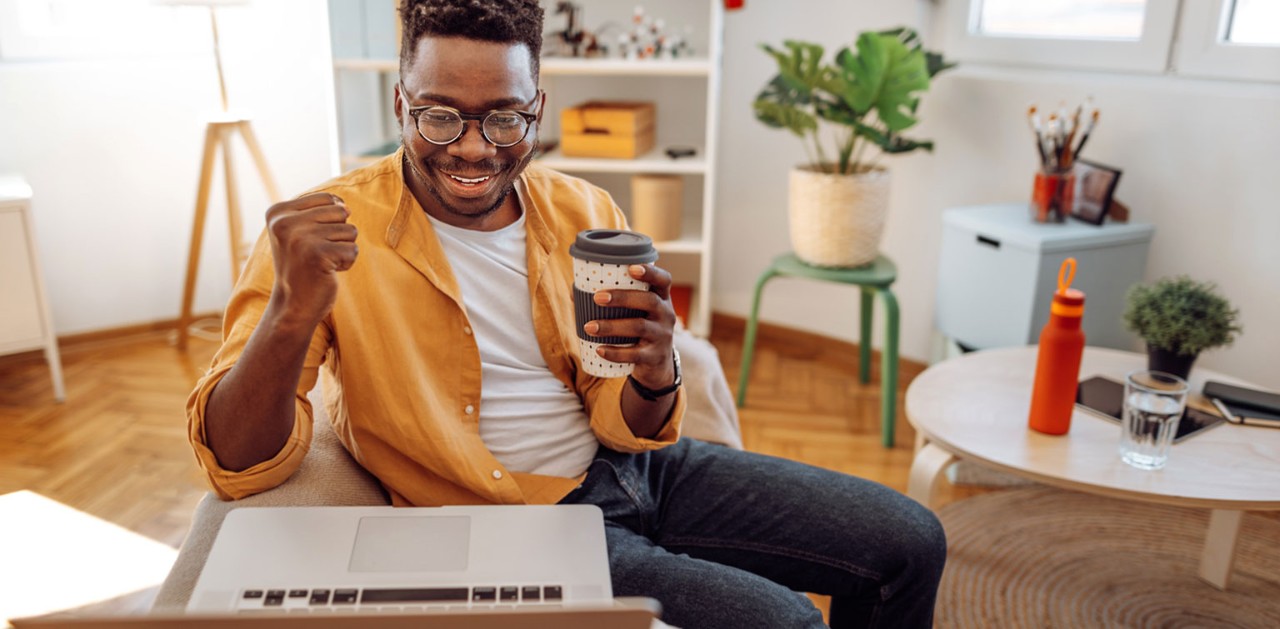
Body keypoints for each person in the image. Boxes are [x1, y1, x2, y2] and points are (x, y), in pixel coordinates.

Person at [185, 1, 947, 626]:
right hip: (521, 521)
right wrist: (289, 314)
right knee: (785, 623)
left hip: (643, 471)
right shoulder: (323, 232)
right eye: (440, 117)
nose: (475, 149)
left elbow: (623, 417)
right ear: (399, 103)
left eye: (505, 119)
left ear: (538, 107)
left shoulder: (583, 210)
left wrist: (656, 370)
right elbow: (235, 459)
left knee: (911, 542)